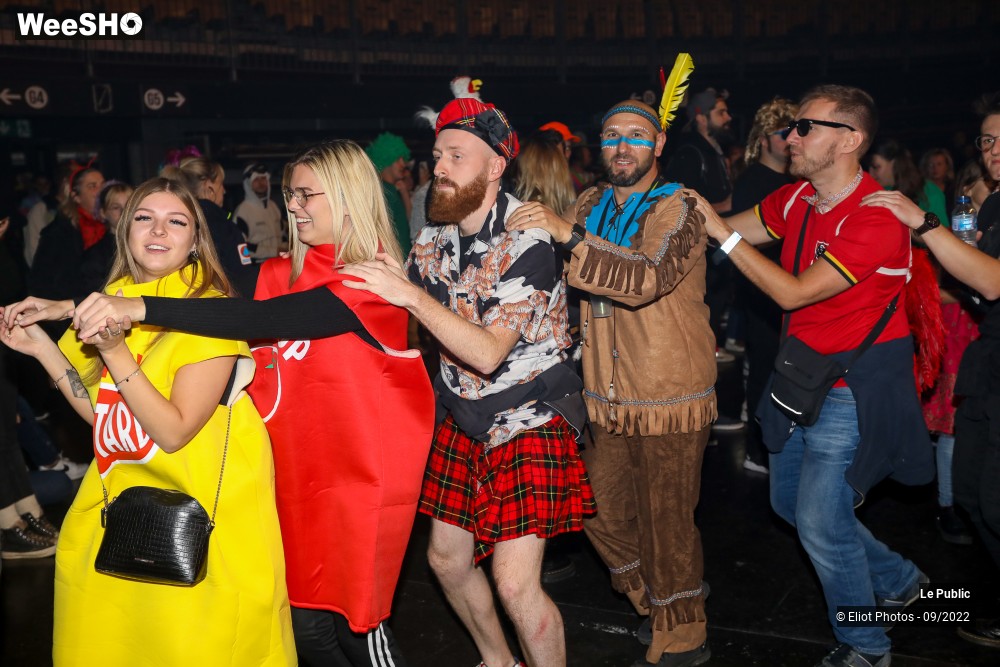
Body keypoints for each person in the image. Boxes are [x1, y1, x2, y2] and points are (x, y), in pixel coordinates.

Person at [24, 141, 435, 667]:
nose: (294, 206)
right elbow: (206, 299)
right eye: (291, 195)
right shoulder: (278, 272)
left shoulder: (374, 282)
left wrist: (129, 307)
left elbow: (246, 321)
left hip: (355, 481)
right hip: (289, 475)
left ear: (348, 196)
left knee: (358, 624)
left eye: (307, 195)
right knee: (307, 627)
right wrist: (71, 307)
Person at [341, 97, 595, 667]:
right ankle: (498, 661)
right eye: (438, 155)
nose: (441, 167)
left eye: (458, 156)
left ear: (496, 166)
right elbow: (392, 311)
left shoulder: (527, 241)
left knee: (514, 584)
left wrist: (406, 294)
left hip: (529, 417)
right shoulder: (435, 234)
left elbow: (485, 352)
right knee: (448, 562)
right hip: (464, 415)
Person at [1, 177, 296, 665]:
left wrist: (115, 352)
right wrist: (45, 351)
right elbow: (107, 415)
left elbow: (173, 431)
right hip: (119, 507)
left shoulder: (210, 313)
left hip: (201, 517)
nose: (158, 231)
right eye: (144, 218)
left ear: (195, 239)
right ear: (125, 231)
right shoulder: (113, 295)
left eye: (176, 221)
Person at [692, 84, 933, 667]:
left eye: (807, 127)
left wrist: (715, 230)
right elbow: (738, 227)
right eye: (792, 127)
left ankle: (868, 645)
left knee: (823, 525)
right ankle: (902, 581)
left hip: (851, 388)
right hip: (800, 377)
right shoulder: (799, 197)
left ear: (850, 140)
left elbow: (791, 290)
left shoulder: (876, 217)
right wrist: (682, 213)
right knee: (787, 504)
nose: (790, 137)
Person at [509, 94, 718, 667]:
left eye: (635, 135)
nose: (621, 146)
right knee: (595, 507)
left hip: (667, 391)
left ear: (658, 145)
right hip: (605, 392)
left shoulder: (681, 207)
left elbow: (645, 279)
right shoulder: (591, 199)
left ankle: (684, 634)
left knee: (667, 520)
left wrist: (569, 237)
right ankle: (659, 599)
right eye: (610, 136)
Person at [862, 93, 1000, 649]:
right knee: (968, 493)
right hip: (988, 355)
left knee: (992, 499)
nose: (995, 150)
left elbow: (992, 281)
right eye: (989, 139)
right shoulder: (992, 207)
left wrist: (922, 223)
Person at [731, 97, 799, 474]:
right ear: (764, 139)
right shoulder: (755, 180)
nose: (791, 139)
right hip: (761, 290)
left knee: (779, 365)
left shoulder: (791, 181)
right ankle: (758, 451)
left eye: (796, 131)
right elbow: (743, 239)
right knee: (763, 366)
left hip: (784, 285)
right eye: (783, 132)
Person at [664, 87, 737, 366]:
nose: (728, 117)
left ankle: (708, 347)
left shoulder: (713, 150)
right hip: (697, 248)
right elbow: (677, 204)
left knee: (716, 299)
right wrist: (724, 207)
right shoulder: (690, 152)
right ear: (702, 118)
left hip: (715, 247)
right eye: (721, 112)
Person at [161, 156, 257, 297]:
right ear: (209, 187)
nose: (224, 190)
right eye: (221, 184)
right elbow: (243, 273)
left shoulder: (177, 221)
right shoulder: (224, 226)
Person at [868, 140, 948, 223]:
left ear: (894, 163)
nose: (870, 173)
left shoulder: (930, 192)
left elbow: (942, 232)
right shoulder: (877, 190)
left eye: (876, 167)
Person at [80, 181, 133, 295]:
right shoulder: (95, 255)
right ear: (103, 213)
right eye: (115, 207)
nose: (124, 212)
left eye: (129, 206)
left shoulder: (146, 244)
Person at [365, 131, 413, 256]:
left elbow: (404, 223)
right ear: (386, 159)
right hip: (395, 261)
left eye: (403, 159)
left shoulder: (389, 189)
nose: (404, 164)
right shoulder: (383, 191)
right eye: (398, 159)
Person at [234, 162, 286, 261]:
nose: (261, 183)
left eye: (263, 178)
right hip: (257, 267)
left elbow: (282, 236)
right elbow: (240, 248)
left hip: (278, 264)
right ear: (248, 183)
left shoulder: (273, 206)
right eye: (256, 179)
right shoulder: (242, 211)